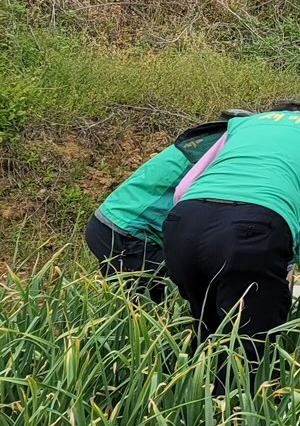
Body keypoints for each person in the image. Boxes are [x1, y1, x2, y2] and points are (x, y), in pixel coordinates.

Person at [163, 96, 300, 364]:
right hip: (252, 230)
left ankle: (190, 404)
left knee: (207, 343)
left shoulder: (247, 124)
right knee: (248, 361)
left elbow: (184, 189)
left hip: (182, 225)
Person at [87, 113, 250, 298]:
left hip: (116, 228)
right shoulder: (214, 149)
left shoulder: (200, 141)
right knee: (190, 296)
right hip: (126, 234)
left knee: (145, 309)